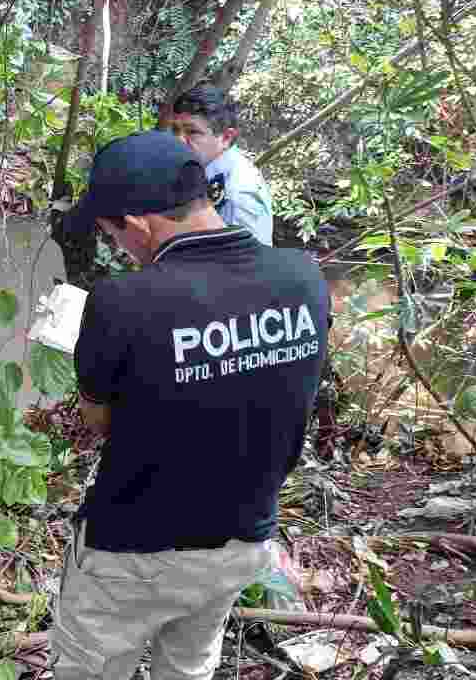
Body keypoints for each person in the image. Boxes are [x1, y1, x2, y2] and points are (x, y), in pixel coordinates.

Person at [54, 130, 329, 680]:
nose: (116, 248)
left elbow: (98, 419)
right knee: (188, 665)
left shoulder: (121, 301)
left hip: (135, 546)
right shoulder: (304, 276)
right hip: (243, 537)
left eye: (111, 234)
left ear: (136, 226)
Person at [165, 85, 274, 246]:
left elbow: (248, 267)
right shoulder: (201, 170)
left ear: (226, 137)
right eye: (175, 130)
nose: (179, 140)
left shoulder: (238, 195)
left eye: (192, 132)